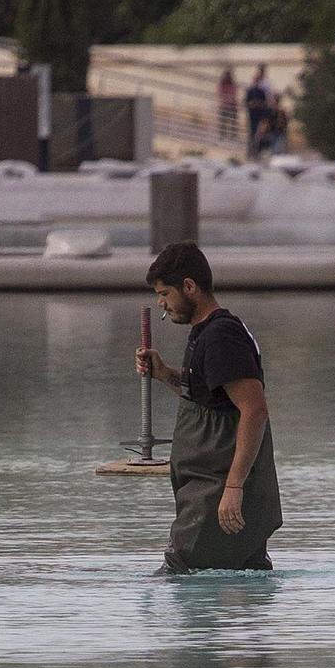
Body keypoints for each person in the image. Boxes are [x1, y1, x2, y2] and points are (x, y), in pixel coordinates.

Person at [135, 242, 282, 573]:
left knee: (178, 575)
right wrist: (165, 375)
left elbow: (254, 411)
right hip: (210, 486)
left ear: (189, 287)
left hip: (219, 489)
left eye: (165, 294)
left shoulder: (221, 337)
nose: (161, 304)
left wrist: (233, 488)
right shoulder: (205, 334)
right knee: (240, 582)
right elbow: (210, 401)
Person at [243, 65, 271, 155]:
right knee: (251, 133)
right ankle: (250, 152)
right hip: (252, 115)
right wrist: (252, 104)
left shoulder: (261, 91)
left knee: (259, 134)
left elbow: (264, 103)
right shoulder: (249, 91)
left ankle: (257, 152)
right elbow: (246, 102)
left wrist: (258, 104)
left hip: (260, 115)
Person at [216, 66, 239, 141]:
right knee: (223, 121)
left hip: (232, 105)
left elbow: (234, 93)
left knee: (233, 121)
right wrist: (227, 99)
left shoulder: (232, 84)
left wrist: (231, 99)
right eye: (227, 75)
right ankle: (222, 135)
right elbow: (220, 93)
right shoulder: (222, 84)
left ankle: (233, 136)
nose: (228, 77)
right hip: (224, 105)